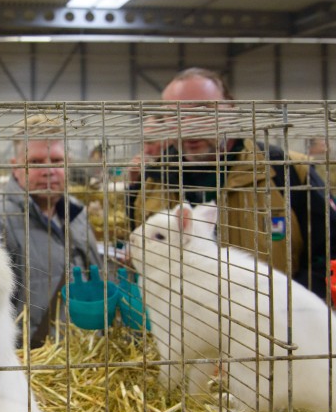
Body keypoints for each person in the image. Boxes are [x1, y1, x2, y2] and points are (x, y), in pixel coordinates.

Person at [131, 67, 336, 300]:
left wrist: (292, 306)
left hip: (276, 323)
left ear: (230, 109)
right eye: (175, 114)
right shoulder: (152, 178)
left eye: (203, 111)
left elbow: (331, 251)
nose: (188, 125)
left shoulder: (285, 169)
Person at [0, 114, 104, 347]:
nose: (48, 170)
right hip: (31, 362)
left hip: (85, 354)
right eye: (35, 162)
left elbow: (97, 274)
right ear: (16, 168)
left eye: (56, 161)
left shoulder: (77, 213)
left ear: (68, 164)